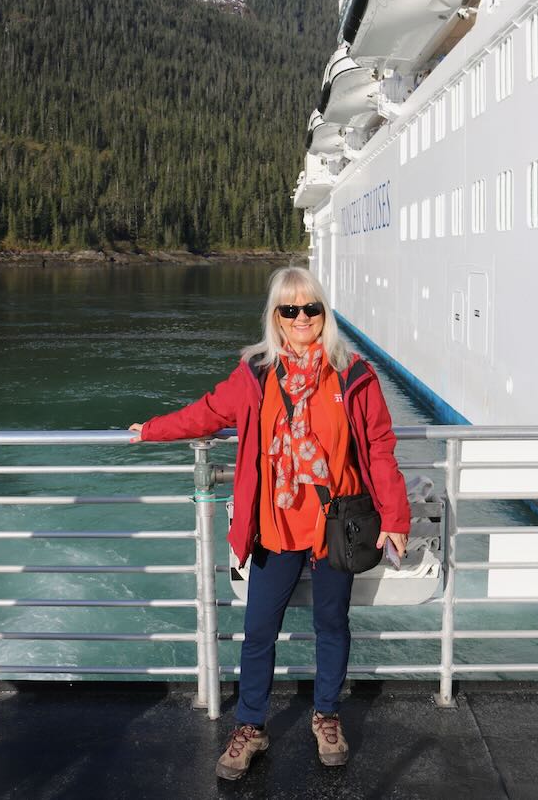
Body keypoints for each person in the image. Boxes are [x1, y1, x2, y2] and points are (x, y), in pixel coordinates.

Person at [129, 266, 410, 780]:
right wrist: (152, 430)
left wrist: (395, 516)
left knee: (332, 624)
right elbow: (208, 413)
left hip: (335, 525)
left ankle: (326, 716)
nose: (302, 318)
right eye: (290, 309)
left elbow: (379, 448)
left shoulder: (352, 374)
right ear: (276, 318)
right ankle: (251, 726)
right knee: (258, 629)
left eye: (311, 308)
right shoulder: (256, 374)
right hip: (275, 526)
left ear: (324, 314)